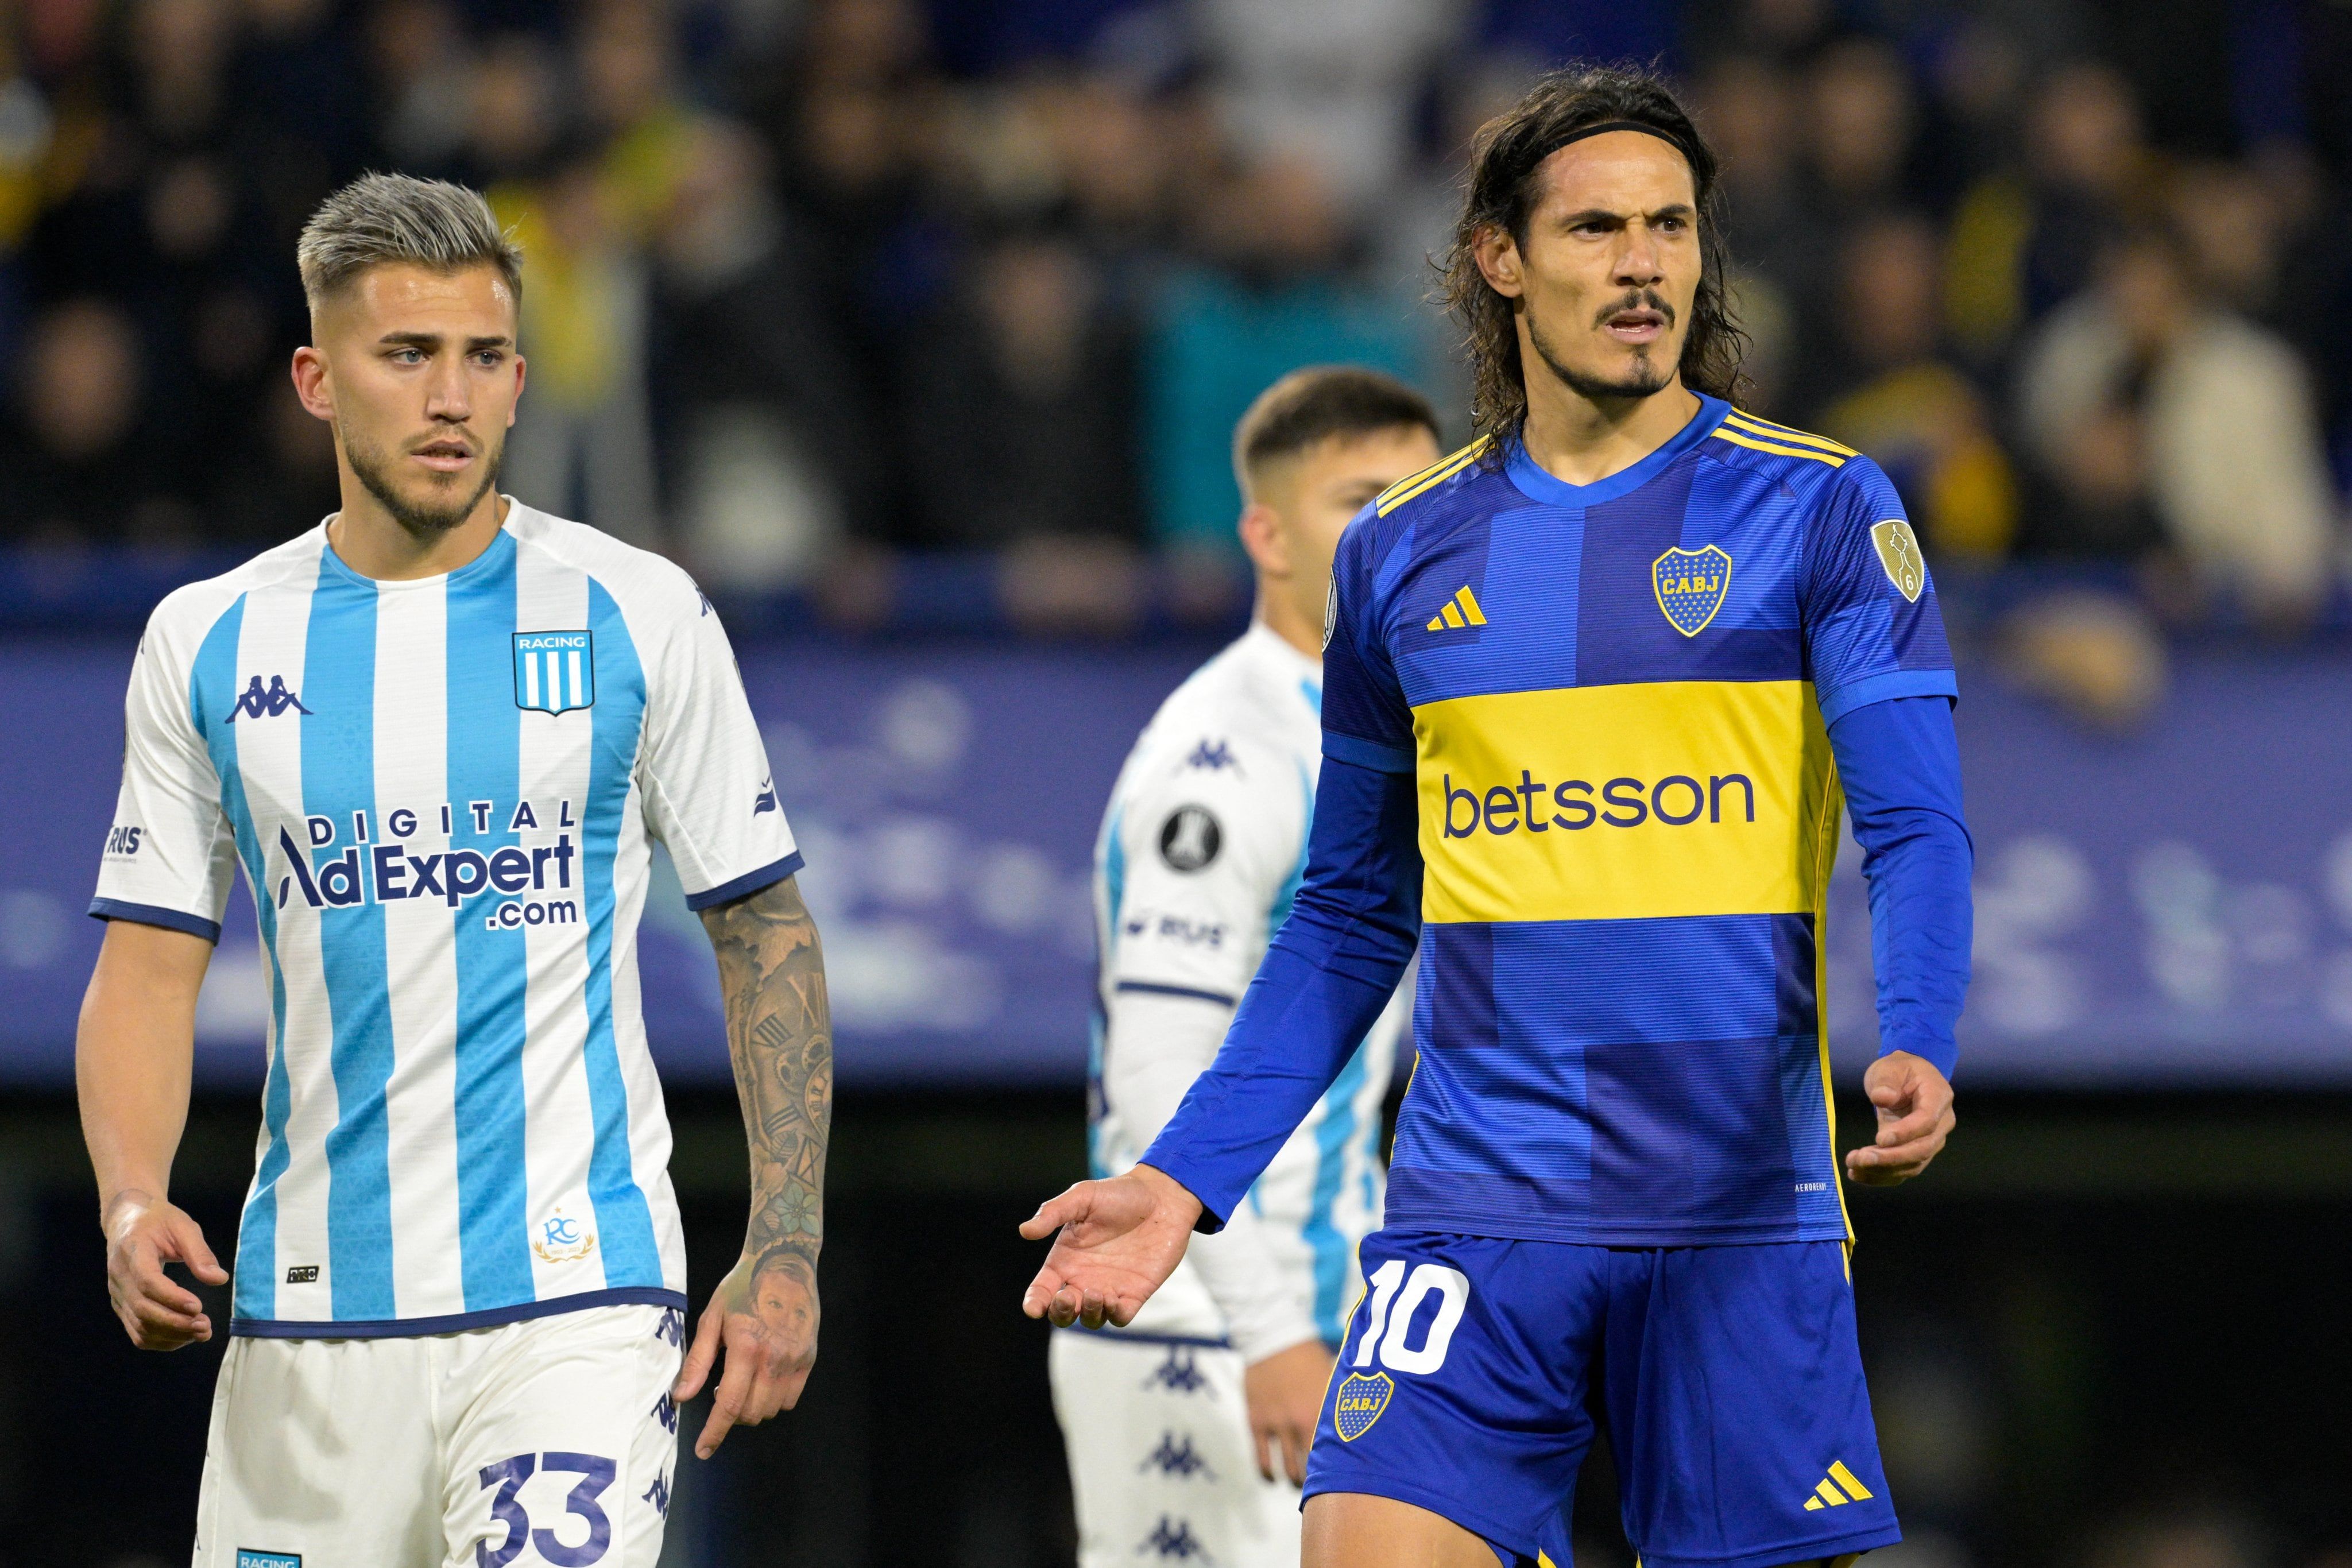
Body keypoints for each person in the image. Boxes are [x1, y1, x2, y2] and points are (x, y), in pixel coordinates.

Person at [1022, 65, 1974, 1568]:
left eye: (1672, 225)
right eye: (1598, 227)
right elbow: (1348, 913)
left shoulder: (1823, 509)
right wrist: (1181, 1182)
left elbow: (1915, 826)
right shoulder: (1400, 551)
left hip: (1733, 1206)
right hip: (1478, 1203)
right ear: (1502, 259)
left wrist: (1916, 1027)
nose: (1645, 260)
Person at [76, 173, 832, 1566]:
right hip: (307, 1325)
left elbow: (765, 930)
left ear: (520, 378)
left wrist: (783, 1243)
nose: (450, 396)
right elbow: (146, 964)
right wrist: (131, 1197)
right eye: (406, 355)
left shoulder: (637, 611)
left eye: (483, 358)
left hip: (576, 1307)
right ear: (316, 377)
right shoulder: (209, 638)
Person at [1054, 366, 1440, 1567]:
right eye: (1359, 500)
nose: (1397, 534)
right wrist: (1267, 1333)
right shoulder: (1223, 761)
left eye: (1421, 501)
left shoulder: (1384, 734)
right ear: (1264, 533)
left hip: (1335, 1313)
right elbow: (1153, 1081)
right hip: (1199, 1325)